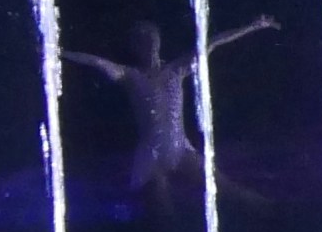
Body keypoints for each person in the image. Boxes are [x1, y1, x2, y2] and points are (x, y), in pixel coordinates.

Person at [66, 16, 274, 194]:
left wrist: (253, 26)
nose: (148, 41)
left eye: (151, 36)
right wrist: (61, 53)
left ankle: (269, 210)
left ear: (158, 41)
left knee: (223, 186)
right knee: (160, 203)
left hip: (179, 148)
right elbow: (96, 62)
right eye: (142, 38)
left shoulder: (175, 69)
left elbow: (211, 43)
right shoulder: (130, 75)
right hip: (151, 153)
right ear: (135, 47)